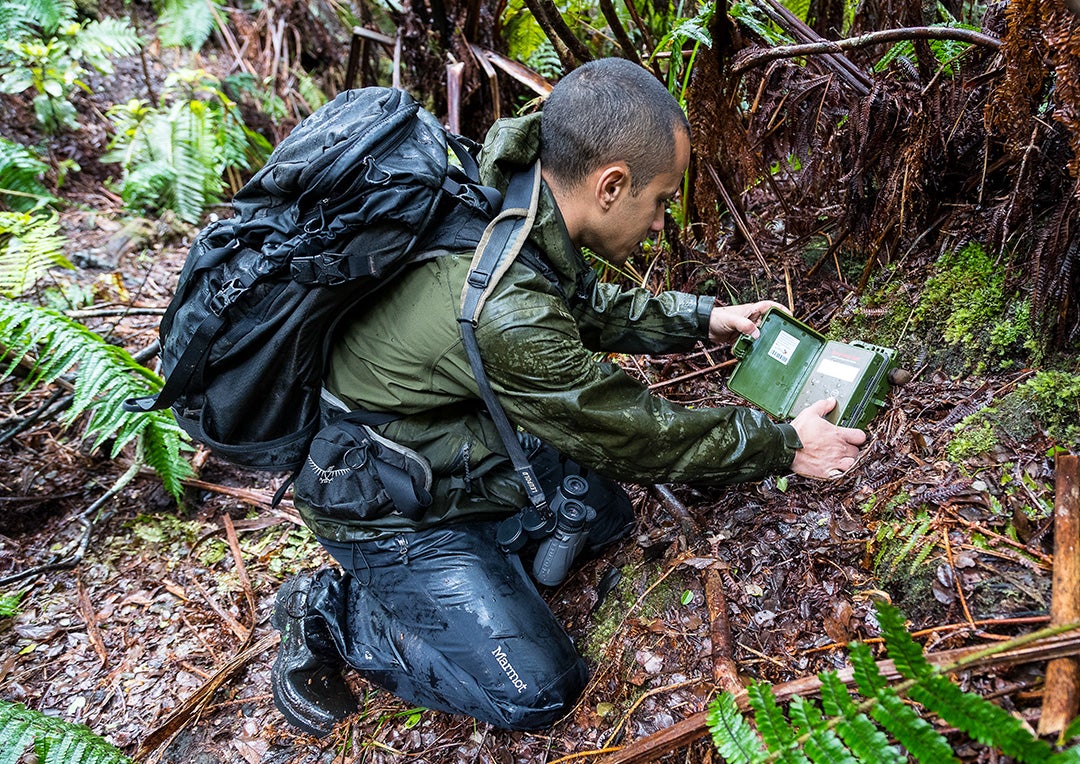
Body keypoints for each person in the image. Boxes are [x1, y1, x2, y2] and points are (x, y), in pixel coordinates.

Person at [270, 58, 867, 737]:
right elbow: (630, 432)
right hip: (384, 505)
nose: (661, 223)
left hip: (444, 444)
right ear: (611, 185)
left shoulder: (514, 187)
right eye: (662, 200)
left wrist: (699, 318)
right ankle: (331, 608)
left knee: (605, 517)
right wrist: (785, 446)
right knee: (539, 691)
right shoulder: (506, 307)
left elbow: (576, 301)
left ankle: (479, 571)